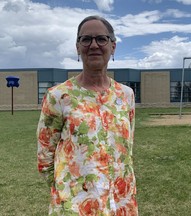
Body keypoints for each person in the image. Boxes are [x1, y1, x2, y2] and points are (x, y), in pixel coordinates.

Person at [37, 15, 138, 215]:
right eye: (86, 39)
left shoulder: (126, 95)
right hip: (75, 206)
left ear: (113, 46)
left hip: (120, 202)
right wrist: (67, 191)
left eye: (101, 39)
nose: (93, 45)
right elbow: (45, 156)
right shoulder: (58, 96)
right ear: (77, 47)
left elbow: (127, 149)